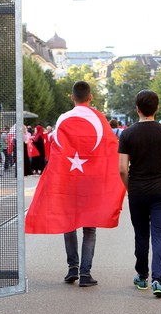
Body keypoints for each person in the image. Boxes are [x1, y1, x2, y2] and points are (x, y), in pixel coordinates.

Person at [26, 80, 126, 288]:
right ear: (90, 98)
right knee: (90, 227)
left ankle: (72, 268)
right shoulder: (100, 119)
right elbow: (110, 149)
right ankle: (85, 273)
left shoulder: (64, 118)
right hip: (92, 182)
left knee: (68, 222)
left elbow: (56, 148)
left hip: (69, 181)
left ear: (72, 97)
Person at [118, 89, 161, 298]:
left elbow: (122, 169)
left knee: (141, 234)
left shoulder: (127, 134)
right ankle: (158, 279)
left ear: (137, 109)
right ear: (157, 108)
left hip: (138, 190)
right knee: (160, 233)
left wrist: (129, 187)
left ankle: (142, 276)